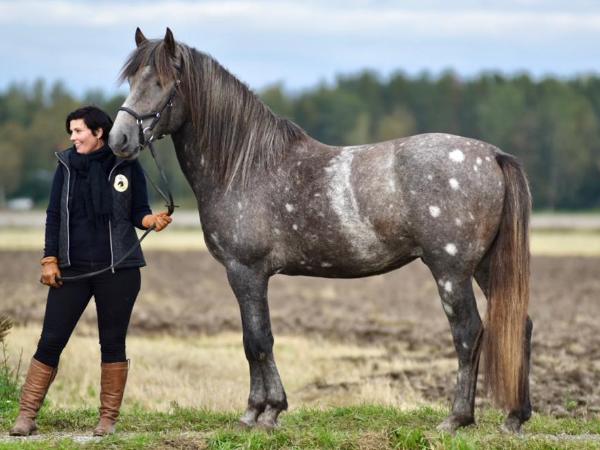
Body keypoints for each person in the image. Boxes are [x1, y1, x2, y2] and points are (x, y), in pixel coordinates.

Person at [10, 106, 172, 437]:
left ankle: (107, 420)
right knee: (51, 340)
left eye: (78, 131)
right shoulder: (66, 167)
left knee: (112, 343)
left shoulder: (126, 165)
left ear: (98, 132)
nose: (73, 137)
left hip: (119, 269)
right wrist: (49, 259)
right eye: (71, 131)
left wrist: (151, 221)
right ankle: (26, 415)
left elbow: (138, 211)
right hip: (72, 270)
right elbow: (54, 215)